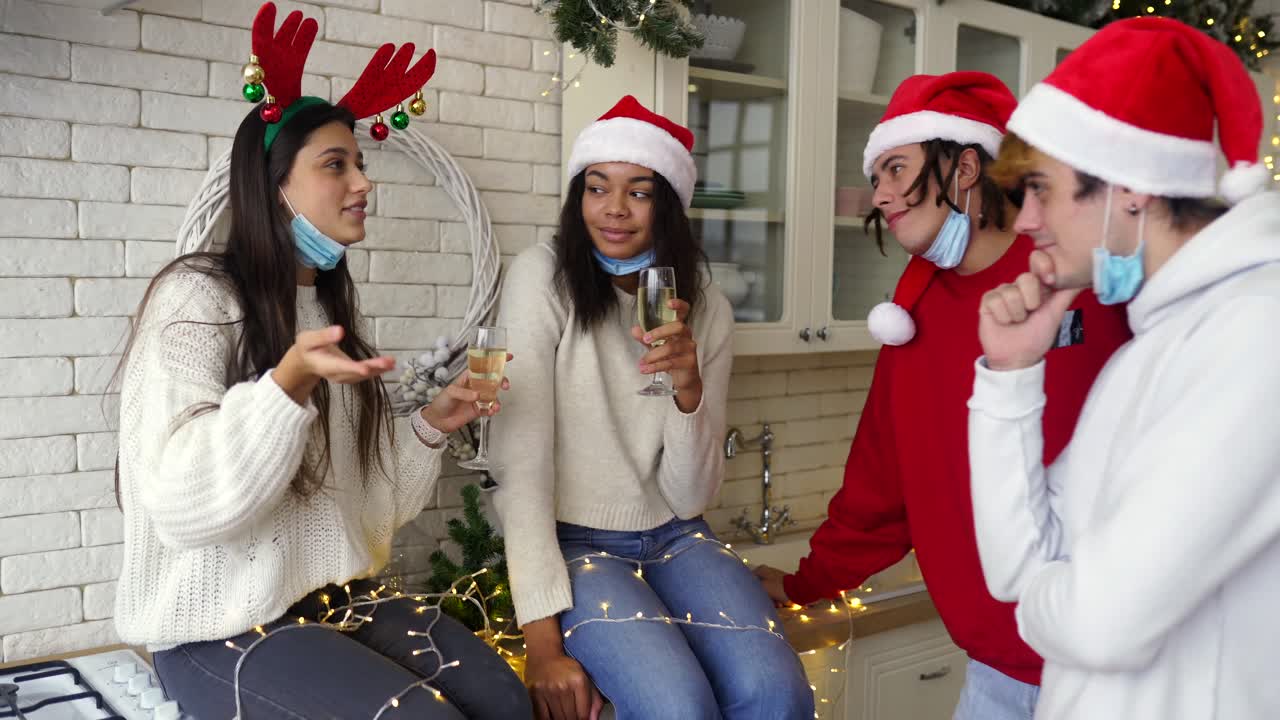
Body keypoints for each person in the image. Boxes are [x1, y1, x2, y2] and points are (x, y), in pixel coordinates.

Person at [112, 4, 531, 718]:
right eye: (336, 165)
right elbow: (181, 506)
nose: (363, 183)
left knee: (503, 697)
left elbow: (368, 508)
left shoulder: (323, 311)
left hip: (337, 601)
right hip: (218, 629)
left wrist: (432, 423)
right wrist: (286, 386)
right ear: (272, 187)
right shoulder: (195, 299)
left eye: (359, 163)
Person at [751, 72, 1131, 720]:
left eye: (896, 169)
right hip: (996, 669)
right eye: (875, 177)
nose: (880, 194)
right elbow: (880, 488)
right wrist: (803, 583)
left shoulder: (1079, 275)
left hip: (1117, 664)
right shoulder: (911, 315)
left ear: (965, 168)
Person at [969, 17, 1280, 720]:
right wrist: (1010, 374)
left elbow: (1102, 624)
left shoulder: (1254, 333)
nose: (1025, 220)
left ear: (1131, 187)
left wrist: (1047, 602)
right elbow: (1016, 567)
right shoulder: (1154, 345)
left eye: (1041, 188)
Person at [491, 95, 814, 720]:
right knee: (677, 707)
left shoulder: (705, 304)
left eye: (638, 192)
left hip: (678, 534)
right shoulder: (543, 277)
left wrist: (689, 391)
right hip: (575, 542)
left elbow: (689, 497)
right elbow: (519, 463)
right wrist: (542, 645)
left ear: (667, 205)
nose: (614, 208)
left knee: (778, 692)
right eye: (597, 187)